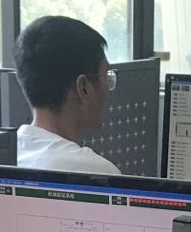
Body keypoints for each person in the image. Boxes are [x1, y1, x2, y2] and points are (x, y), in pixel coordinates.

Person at [11, 14, 122, 175]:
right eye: (106, 76)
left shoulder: (6, 156)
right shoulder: (97, 172)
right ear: (83, 87)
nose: (108, 88)